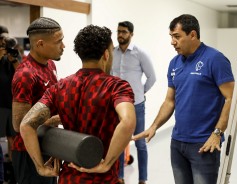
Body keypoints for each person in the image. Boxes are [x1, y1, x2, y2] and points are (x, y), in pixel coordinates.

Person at [19, 24, 136, 184]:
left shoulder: (60, 87)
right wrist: (107, 163)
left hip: (68, 178)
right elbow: (128, 121)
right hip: (102, 179)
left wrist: (40, 167)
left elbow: (26, 124)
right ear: (106, 55)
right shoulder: (116, 86)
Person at [133, 14, 235, 184]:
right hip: (178, 143)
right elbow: (169, 101)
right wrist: (154, 126)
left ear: (193, 35)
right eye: (171, 37)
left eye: (177, 36)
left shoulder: (215, 59)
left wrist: (217, 133)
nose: (172, 42)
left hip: (204, 144)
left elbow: (231, 98)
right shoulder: (174, 63)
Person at [11, 17, 65, 184]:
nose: (63, 46)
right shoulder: (25, 74)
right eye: (59, 42)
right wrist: (58, 118)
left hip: (48, 144)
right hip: (28, 152)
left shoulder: (50, 65)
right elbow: (19, 123)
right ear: (40, 44)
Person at [111, 21, 156, 184]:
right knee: (119, 141)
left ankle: (142, 179)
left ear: (131, 34)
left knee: (140, 143)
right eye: (118, 31)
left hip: (136, 104)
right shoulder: (112, 53)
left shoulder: (139, 53)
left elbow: (152, 77)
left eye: (124, 32)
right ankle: (120, 177)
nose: (120, 35)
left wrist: (140, 93)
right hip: (116, 105)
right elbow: (109, 74)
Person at [0, 25, 19, 184]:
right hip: (0, 105)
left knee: (13, 140)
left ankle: (13, 175)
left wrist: (13, 60)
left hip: (11, 104)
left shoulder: (12, 55)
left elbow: (21, 74)